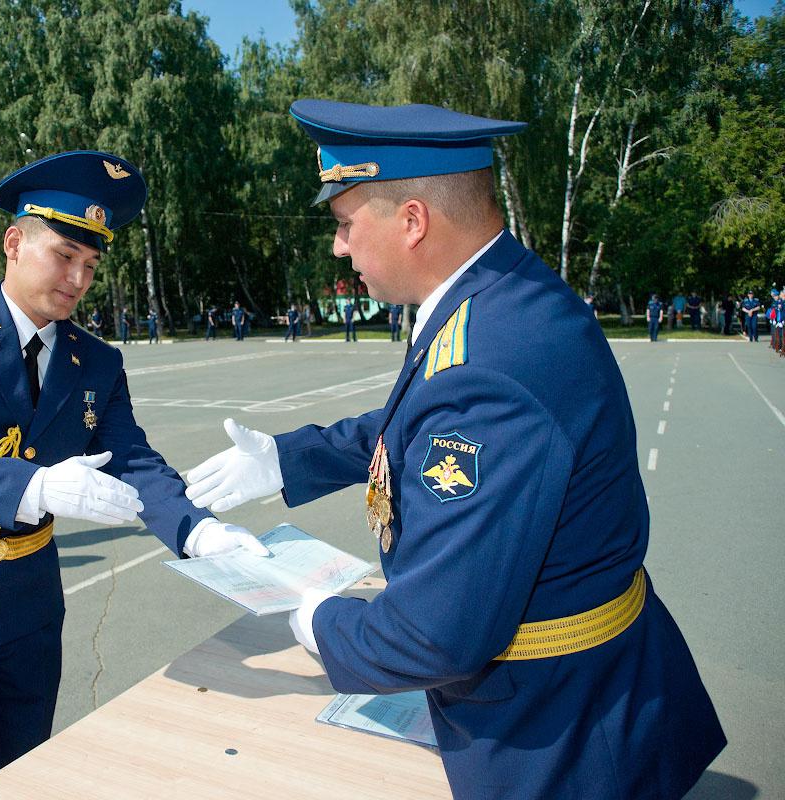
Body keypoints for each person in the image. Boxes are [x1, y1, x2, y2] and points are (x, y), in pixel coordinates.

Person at [184, 100, 724, 800]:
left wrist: (322, 621)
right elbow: (418, 421)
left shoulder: (489, 357)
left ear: (413, 221)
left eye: (345, 224)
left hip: (558, 732)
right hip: (586, 691)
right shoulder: (502, 295)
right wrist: (291, 458)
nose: (338, 247)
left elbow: (435, 637)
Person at [0, 150, 267, 799]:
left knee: (27, 771)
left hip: (29, 596)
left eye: (90, 265)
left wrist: (198, 533)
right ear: (14, 242)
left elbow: (133, 459)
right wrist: (33, 488)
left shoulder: (96, 362)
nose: (79, 279)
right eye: (64, 255)